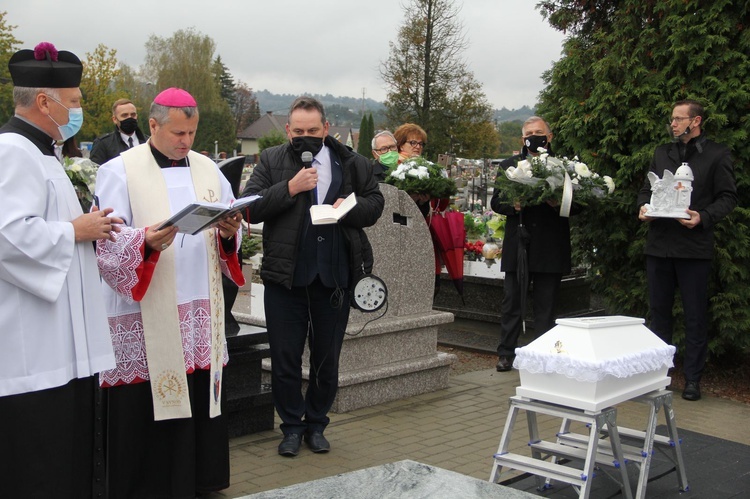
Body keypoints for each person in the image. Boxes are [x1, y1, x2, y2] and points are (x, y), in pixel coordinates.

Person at [94, 87, 245, 498]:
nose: (186, 142)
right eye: (178, 132)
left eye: (192, 133)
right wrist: (144, 241)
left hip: (199, 307)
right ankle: (146, 486)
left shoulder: (208, 170)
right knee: (147, 404)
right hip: (149, 313)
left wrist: (231, 232)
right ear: (154, 124)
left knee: (198, 397)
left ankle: (198, 480)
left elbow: (231, 222)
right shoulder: (118, 171)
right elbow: (106, 241)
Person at [0, 41, 120, 499]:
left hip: (63, 346)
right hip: (35, 349)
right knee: (38, 464)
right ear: (44, 102)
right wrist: (74, 231)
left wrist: (94, 227)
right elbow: (8, 234)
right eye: (74, 102)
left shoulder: (45, 153)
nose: (79, 110)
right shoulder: (12, 151)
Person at [241, 96, 384, 457]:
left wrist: (347, 207)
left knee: (326, 358)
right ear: (288, 131)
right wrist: (290, 188)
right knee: (285, 358)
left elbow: (374, 204)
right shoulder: (273, 160)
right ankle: (291, 427)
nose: (306, 137)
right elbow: (250, 208)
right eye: (299, 131)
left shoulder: (352, 162)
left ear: (327, 129)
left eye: (313, 131)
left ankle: (316, 423)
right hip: (285, 279)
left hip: (334, 278)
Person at [637, 99, 736, 401]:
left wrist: (702, 217)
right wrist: (643, 207)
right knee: (659, 315)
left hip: (694, 248)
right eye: (672, 119)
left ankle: (693, 379)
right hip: (660, 247)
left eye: (679, 119)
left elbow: (728, 196)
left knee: (695, 317)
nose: (673, 124)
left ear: (696, 122)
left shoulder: (717, 155)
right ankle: (658, 376)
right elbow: (646, 190)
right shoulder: (661, 153)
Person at [491, 116, 572, 372]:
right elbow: (496, 202)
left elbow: (578, 205)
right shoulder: (509, 165)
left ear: (549, 137)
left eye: (539, 132)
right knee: (512, 302)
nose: (534, 136)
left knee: (546, 306)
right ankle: (506, 353)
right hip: (520, 244)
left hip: (550, 245)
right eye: (529, 133)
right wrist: (513, 205)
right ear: (522, 139)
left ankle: (543, 356)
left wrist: (558, 202)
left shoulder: (564, 166)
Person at [89, 98, 147, 165]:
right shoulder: (103, 144)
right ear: (115, 119)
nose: (129, 118)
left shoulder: (149, 142)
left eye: (133, 115)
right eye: (124, 115)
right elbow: (95, 171)